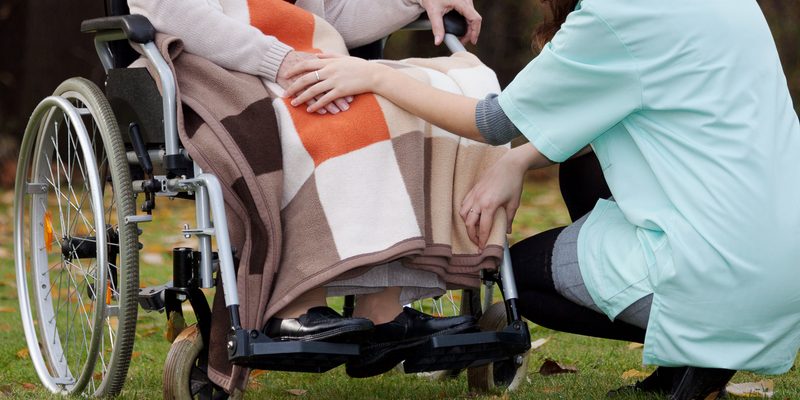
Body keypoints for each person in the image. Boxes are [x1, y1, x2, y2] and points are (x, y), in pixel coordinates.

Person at [284, 0, 800, 398]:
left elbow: (491, 120)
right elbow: (610, 110)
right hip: (784, 260)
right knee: (582, 165)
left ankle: (701, 352)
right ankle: (686, 364)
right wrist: (517, 160)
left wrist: (377, 74)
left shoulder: (615, 17)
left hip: (720, 270)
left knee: (518, 283)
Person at [128, 0, 486, 379]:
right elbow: (172, 12)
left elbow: (329, 16)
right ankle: (294, 304)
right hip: (205, 66)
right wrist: (278, 61)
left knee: (394, 101)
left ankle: (382, 310)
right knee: (322, 114)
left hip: (294, 58)